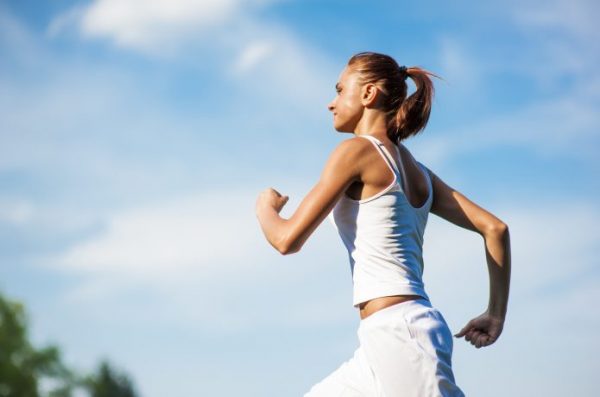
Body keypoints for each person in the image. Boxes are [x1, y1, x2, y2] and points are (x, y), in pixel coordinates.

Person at [255, 51, 511, 396]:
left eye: (339, 89)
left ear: (368, 94)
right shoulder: (419, 172)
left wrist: (264, 207)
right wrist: (495, 314)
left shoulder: (355, 152)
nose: (331, 103)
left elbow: (287, 239)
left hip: (402, 335)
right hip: (383, 339)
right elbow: (494, 228)